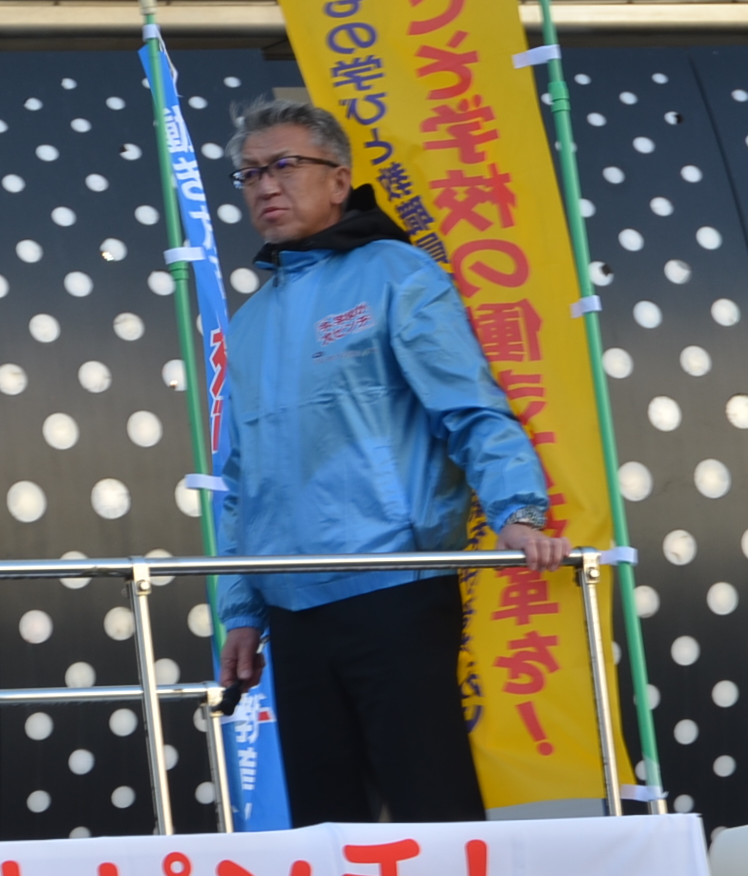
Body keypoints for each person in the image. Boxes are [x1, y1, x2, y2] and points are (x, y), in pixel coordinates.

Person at [214, 98, 569, 826]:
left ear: (339, 180)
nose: (265, 186)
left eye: (284, 165)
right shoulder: (248, 324)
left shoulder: (397, 275)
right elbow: (237, 483)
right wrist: (243, 611)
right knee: (324, 824)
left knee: (430, 805)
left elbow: (469, 408)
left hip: (393, 585)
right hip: (292, 607)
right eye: (249, 173)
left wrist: (518, 511)